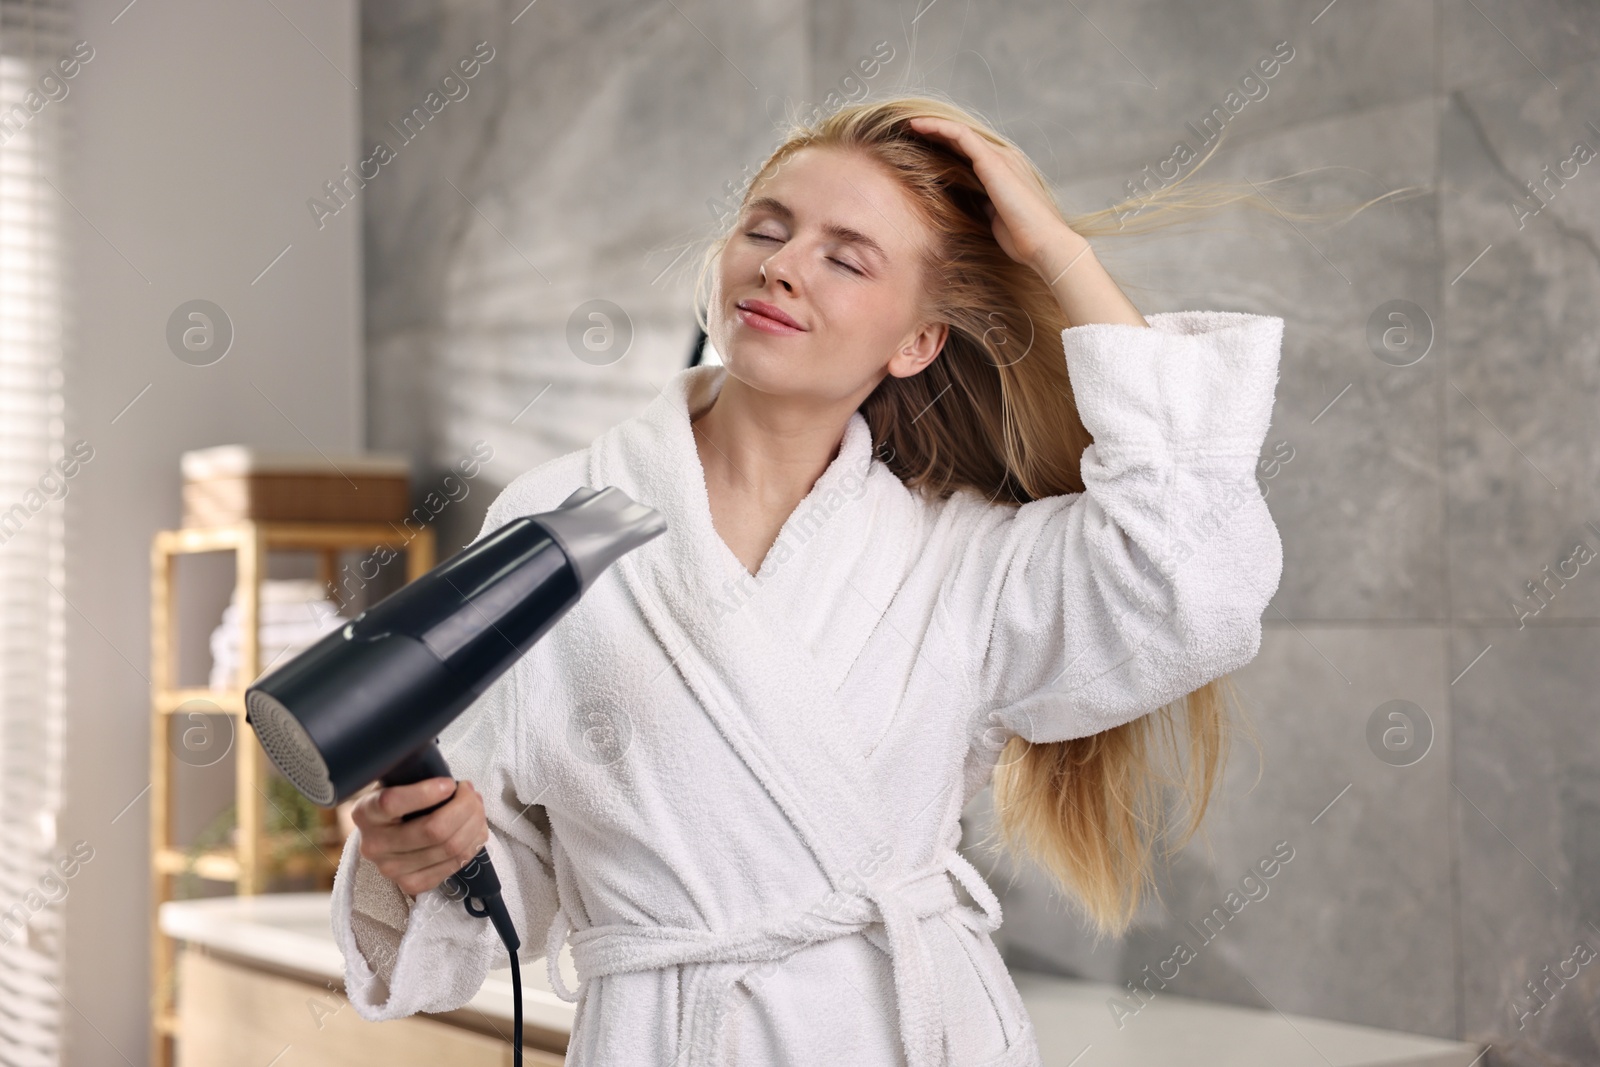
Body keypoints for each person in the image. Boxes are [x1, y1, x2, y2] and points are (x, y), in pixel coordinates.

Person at [330, 94, 1285, 1066]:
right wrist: (429, 852)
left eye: (845, 256)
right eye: (765, 229)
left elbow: (1191, 574)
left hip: (912, 1031)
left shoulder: (959, 556)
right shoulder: (556, 520)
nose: (781, 265)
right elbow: (510, 855)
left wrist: (1055, 246)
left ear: (915, 342)